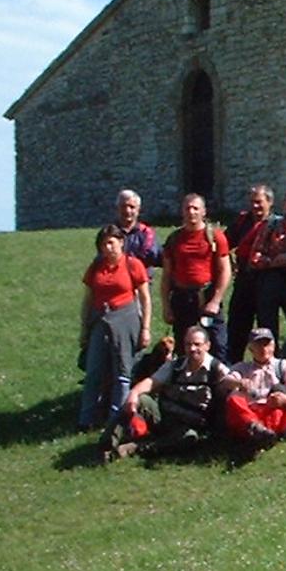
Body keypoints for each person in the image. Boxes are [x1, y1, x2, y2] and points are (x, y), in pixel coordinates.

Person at [103, 326, 229, 461]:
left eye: (197, 345)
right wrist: (133, 393)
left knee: (189, 438)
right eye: (188, 344)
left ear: (207, 346)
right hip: (164, 417)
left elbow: (232, 386)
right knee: (139, 399)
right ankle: (106, 445)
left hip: (191, 426)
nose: (192, 349)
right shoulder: (175, 365)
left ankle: (137, 447)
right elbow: (151, 382)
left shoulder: (217, 369)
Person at [78, 223, 152, 432]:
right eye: (103, 244)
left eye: (111, 242)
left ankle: (116, 419)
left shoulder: (133, 265)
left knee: (122, 371)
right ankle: (87, 418)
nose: (107, 248)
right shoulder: (96, 267)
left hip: (126, 318)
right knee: (93, 371)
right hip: (100, 319)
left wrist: (145, 328)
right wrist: (84, 328)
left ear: (121, 242)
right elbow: (88, 299)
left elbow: (145, 299)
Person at [161, 193, 232, 360]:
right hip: (182, 298)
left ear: (203, 212)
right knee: (184, 347)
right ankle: (186, 383)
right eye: (187, 208)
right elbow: (166, 275)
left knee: (218, 345)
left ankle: (219, 383)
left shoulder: (215, 237)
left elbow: (225, 270)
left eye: (195, 208)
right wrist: (166, 306)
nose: (191, 212)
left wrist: (215, 300)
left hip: (206, 296)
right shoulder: (174, 239)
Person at [220, 328, 286, 450]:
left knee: (280, 389)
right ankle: (256, 429)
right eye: (258, 345)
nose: (263, 349)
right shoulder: (242, 368)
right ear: (250, 348)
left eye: (267, 344)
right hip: (249, 415)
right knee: (234, 399)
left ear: (273, 346)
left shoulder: (284, 366)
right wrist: (239, 382)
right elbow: (225, 382)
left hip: (274, 413)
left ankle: (264, 434)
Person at [249, 189, 286, 343]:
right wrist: (273, 261)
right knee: (267, 328)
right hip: (269, 280)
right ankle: (269, 361)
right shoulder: (271, 226)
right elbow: (254, 257)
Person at [225, 184, 274, 362]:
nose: (255, 206)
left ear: (269, 202)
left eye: (259, 202)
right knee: (237, 328)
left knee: (266, 330)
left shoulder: (276, 224)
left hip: (267, 283)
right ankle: (233, 367)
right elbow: (225, 243)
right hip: (244, 281)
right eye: (252, 202)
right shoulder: (242, 222)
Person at [113, 189, 161, 281]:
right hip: (116, 284)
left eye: (132, 207)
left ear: (138, 209)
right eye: (123, 206)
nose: (127, 210)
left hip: (140, 285)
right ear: (117, 208)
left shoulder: (147, 233)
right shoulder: (109, 233)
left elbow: (153, 257)